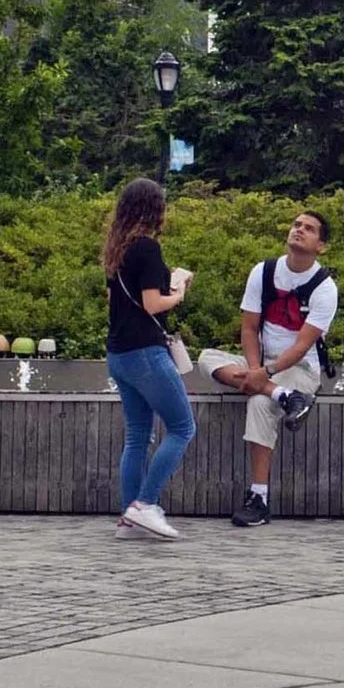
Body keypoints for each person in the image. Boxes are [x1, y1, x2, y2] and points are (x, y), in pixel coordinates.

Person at [198, 209, 336, 528]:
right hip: (262, 366)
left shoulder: (324, 287)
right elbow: (249, 329)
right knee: (207, 359)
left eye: (309, 229)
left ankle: (258, 498)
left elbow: (302, 346)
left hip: (299, 367)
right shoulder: (263, 272)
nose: (299, 230)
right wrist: (257, 368)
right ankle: (286, 398)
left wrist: (264, 374)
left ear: (321, 245)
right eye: (296, 224)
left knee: (260, 402)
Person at [100, 176, 195, 541]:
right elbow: (153, 304)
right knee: (183, 428)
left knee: (138, 434)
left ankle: (128, 517)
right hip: (146, 353)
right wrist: (180, 290)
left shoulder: (117, 250)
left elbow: (117, 302)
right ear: (155, 209)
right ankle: (145, 504)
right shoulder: (147, 249)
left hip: (118, 354)